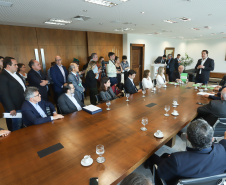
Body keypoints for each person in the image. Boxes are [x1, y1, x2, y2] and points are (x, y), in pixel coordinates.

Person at [146, 119, 226, 185]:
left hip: (173, 177)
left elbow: (162, 173)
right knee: (166, 155)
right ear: (212, 138)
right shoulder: (222, 150)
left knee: (150, 155)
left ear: (187, 138)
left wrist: (172, 161)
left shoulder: (178, 160)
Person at [0, 57, 26, 131]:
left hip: (22, 104)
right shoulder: (3, 76)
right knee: (16, 127)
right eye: (15, 65)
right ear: (8, 66)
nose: (17, 66)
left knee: (22, 125)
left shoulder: (16, 73)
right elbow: (3, 94)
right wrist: (11, 108)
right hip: (14, 107)